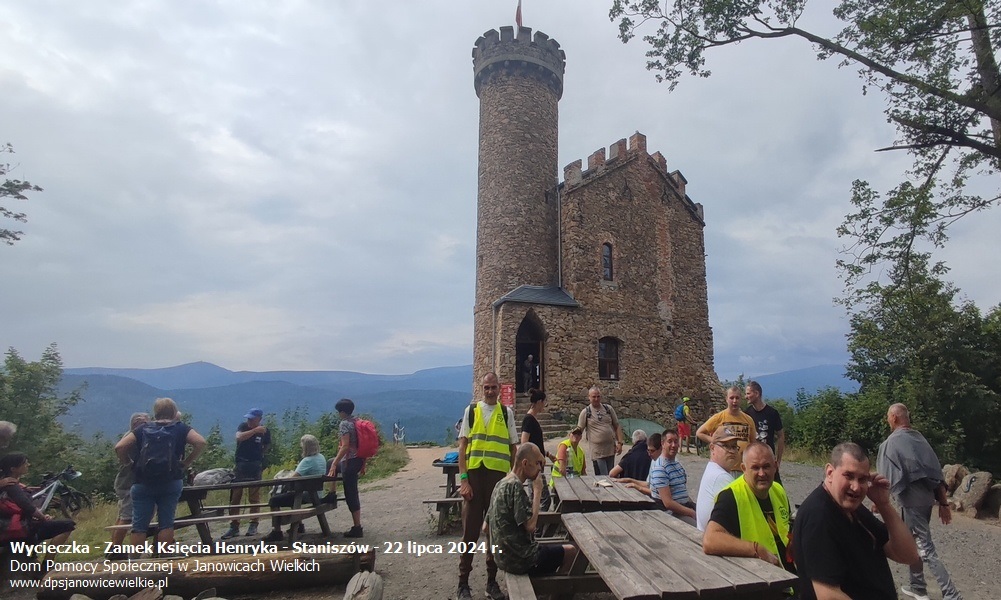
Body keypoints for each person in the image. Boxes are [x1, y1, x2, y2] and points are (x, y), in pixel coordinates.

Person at [792, 442, 919, 600]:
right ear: (830, 472)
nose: (856, 487)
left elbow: (908, 555)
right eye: (849, 476)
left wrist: (884, 505)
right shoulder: (818, 516)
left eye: (862, 479)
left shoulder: (854, 510)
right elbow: (828, 595)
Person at [877, 403, 963, 600]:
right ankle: (917, 587)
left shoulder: (890, 444)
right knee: (910, 541)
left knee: (926, 548)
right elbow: (935, 473)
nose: (888, 420)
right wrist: (942, 503)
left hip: (911, 501)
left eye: (888, 417)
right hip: (926, 500)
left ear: (894, 418)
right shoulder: (920, 439)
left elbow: (887, 477)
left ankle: (951, 594)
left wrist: (880, 501)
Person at [455, 372, 517, 600]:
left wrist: (511, 478)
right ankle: (463, 583)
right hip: (474, 478)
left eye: (493, 387)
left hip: (497, 480)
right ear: (483, 388)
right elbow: (462, 447)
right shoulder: (471, 411)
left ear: (500, 388)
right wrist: (463, 480)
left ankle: (492, 582)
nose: (490, 391)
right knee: (469, 533)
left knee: (495, 532)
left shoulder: (506, 412)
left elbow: (513, 447)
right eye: (486, 387)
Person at [115, 397, 206, 547]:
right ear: (174, 412)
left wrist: (128, 463)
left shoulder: (142, 429)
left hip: (143, 482)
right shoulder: (181, 428)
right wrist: (186, 462)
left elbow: (119, 447)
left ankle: (135, 564)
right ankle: (164, 558)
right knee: (166, 523)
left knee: (139, 526)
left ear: (155, 412)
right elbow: (200, 442)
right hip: (171, 481)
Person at [486, 443, 578, 579]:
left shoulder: (500, 483)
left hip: (502, 558)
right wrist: (537, 491)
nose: (540, 469)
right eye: (537, 463)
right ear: (525, 463)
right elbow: (530, 526)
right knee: (571, 551)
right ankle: (556, 593)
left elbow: (484, 527)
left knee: (551, 548)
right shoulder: (516, 486)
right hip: (521, 559)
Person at [702, 442, 794, 572]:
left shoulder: (778, 490)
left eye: (766, 466)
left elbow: (787, 531)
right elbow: (710, 540)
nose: (762, 473)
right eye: (755, 468)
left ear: (775, 466)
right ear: (744, 469)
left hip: (788, 572)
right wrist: (755, 549)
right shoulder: (731, 496)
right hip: (760, 577)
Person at [264, 434, 327, 543]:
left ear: (305, 447)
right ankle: (300, 526)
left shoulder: (307, 461)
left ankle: (277, 531)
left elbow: (292, 479)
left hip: (308, 495)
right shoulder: (321, 457)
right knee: (292, 496)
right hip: (318, 493)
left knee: (274, 500)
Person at [221, 407, 271, 539]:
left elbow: (266, 446)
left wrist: (260, 456)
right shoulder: (243, 426)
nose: (249, 420)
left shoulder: (266, 431)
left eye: (252, 418)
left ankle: (253, 524)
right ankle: (234, 525)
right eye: (248, 418)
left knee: (254, 497)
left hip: (255, 465)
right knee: (236, 496)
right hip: (240, 465)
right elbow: (239, 437)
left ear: (259, 419)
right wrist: (254, 431)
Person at [109, 412, 150, 556]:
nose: (142, 424)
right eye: (139, 421)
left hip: (127, 482)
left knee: (123, 515)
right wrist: (129, 463)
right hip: (128, 483)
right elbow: (119, 449)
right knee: (127, 516)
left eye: (144, 421)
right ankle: (115, 549)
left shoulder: (134, 436)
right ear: (133, 424)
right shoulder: (132, 437)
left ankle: (114, 547)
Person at [327, 399, 365, 538]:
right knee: (330, 463)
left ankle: (357, 527)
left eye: (339, 412)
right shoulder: (357, 421)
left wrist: (334, 463)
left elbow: (345, 446)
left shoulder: (344, 424)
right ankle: (332, 494)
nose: (338, 414)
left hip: (349, 462)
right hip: (358, 460)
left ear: (342, 412)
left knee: (351, 493)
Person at [696, 386, 756, 474]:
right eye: (731, 398)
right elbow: (699, 433)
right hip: (724, 468)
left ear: (741, 399)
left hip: (743, 468)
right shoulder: (719, 417)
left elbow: (753, 443)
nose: (734, 401)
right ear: (726, 399)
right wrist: (714, 441)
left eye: (737, 398)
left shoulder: (748, 420)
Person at [648, 430, 696, 525]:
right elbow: (668, 503)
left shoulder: (677, 465)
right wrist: (691, 512)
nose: (673, 445)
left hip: (683, 508)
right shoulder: (660, 467)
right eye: (670, 441)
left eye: (676, 441)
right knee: (701, 529)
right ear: (663, 444)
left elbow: (682, 491)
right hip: (670, 513)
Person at [695, 426, 739, 531]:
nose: (732, 451)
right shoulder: (721, 477)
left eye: (734, 447)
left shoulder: (712, 469)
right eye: (726, 446)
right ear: (712, 448)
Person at [576, 386, 623, 476]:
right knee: (603, 477)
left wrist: (620, 443)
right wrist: (571, 447)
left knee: (611, 476)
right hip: (597, 452)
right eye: (594, 397)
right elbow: (579, 431)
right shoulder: (586, 412)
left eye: (598, 396)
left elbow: (617, 426)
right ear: (589, 397)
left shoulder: (608, 409)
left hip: (610, 450)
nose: (596, 399)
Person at [744, 381, 785, 483]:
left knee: (777, 488)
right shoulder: (746, 414)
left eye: (748, 393)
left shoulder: (772, 413)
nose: (746, 396)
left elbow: (781, 436)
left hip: (768, 459)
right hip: (753, 461)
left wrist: (778, 461)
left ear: (757, 394)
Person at [520, 388, 554, 510]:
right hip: (533, 465)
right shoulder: (529, 419)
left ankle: (533, 526)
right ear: (539, 402)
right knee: (543, 499)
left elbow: (535, 443)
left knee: (535, 497)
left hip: (537, 463)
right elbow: (524, 442)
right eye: (544, 402)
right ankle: (535, 527)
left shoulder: (533, 419)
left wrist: (547, 454)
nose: (545, 405)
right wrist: (536, 458)